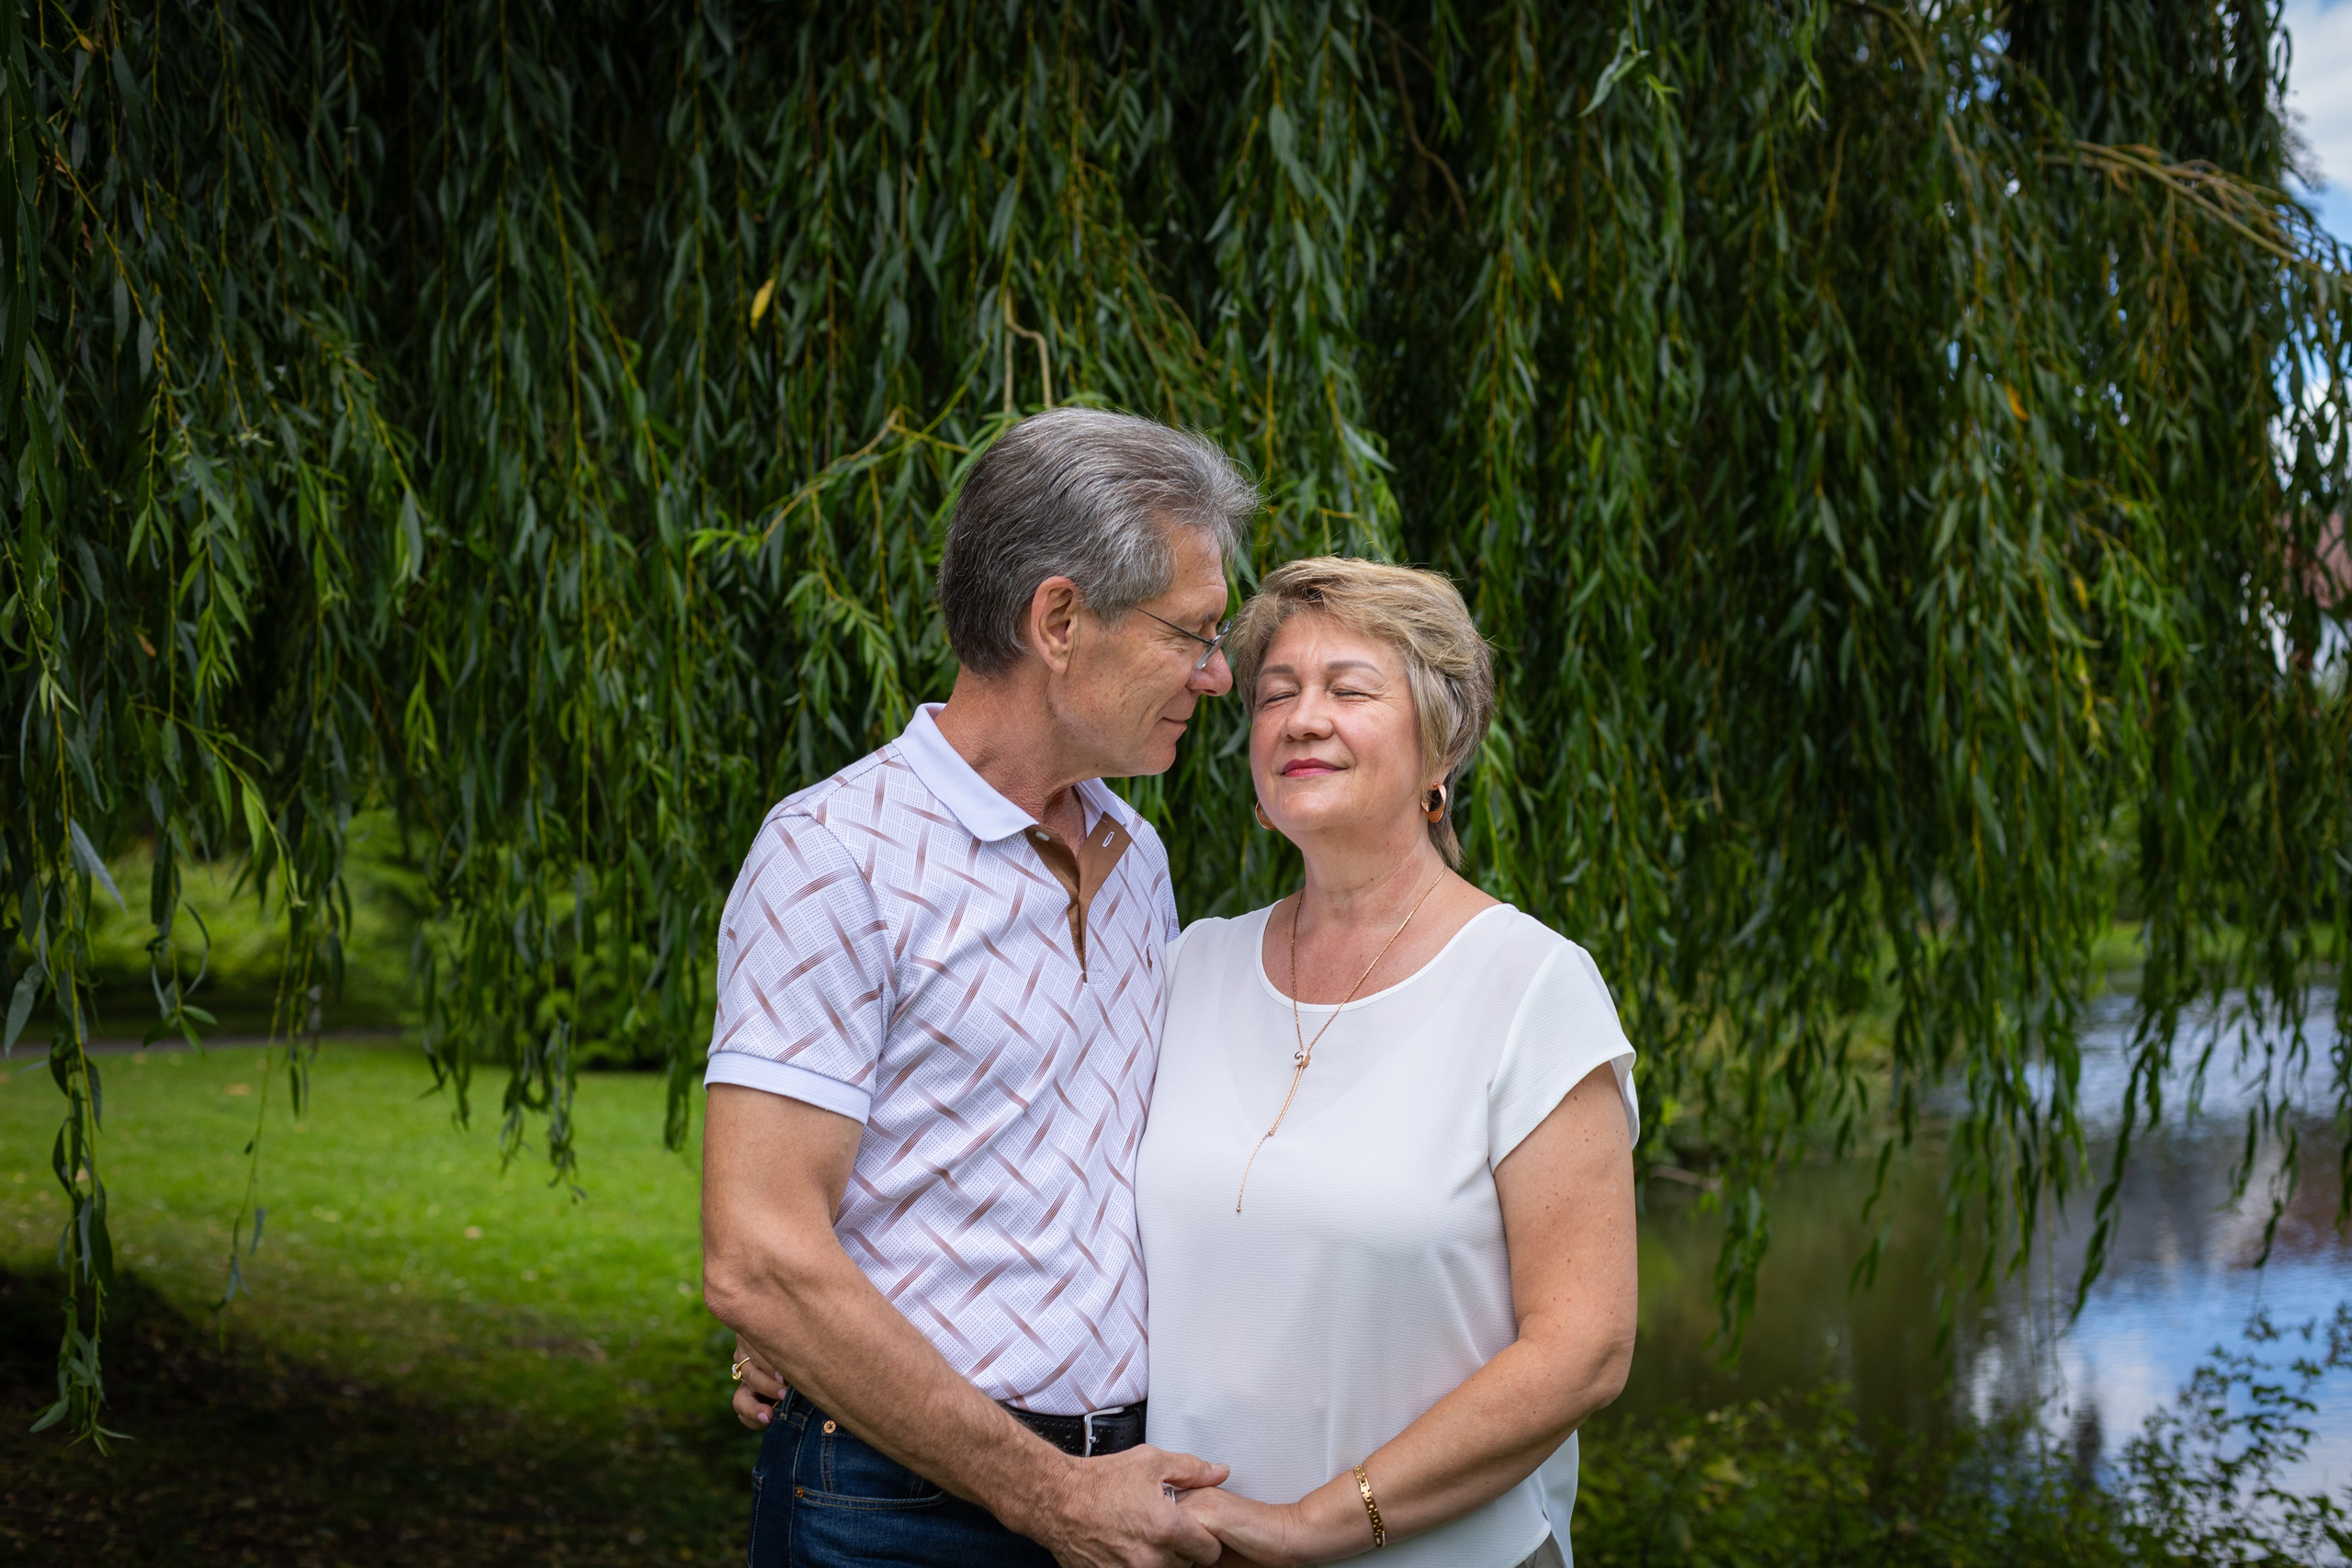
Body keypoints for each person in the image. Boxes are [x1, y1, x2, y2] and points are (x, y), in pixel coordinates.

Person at [700, 407, 1258, 1568]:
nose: (1216, 678)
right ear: (1060, 618)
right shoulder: (834, 854)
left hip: (1122, 1487)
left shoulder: (1135, 858)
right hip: (895, 1515)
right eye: (1192, 635)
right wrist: (1047, 1496)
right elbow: (758, 1250)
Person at [1136, 557, 1640, 1568]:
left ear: (1441, 742)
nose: (1301, 719)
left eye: (1348, 690)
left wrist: (1309, 1527)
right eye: (1276, 695)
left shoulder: (1530, 988)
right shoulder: (1190, 966)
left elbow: (1582, 1351)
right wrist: (803, 1343)